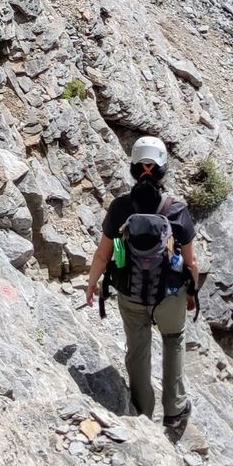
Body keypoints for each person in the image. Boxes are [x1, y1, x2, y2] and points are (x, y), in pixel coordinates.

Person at [82, 138, 198, 433]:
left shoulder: (121, 207)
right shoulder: (177, 210)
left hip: (131, 294)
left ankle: (143, 415)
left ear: (133, 169)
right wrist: (192, 293)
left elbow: (102, 254)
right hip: (169, 295)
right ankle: (174, 411)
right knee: (173, 340)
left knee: (137, 350)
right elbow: (191, 263)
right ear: (163, 170)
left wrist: (92, 283)